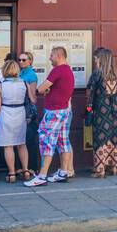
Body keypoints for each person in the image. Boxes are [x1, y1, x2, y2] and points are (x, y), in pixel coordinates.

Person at [26, 45, 78, 186]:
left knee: (47, 141)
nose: (49, 58)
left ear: (59, 56)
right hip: (64, 111)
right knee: (63, 141)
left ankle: (42, 176)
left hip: (55, 111)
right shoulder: (68, 70)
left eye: (52, 55)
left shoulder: (58, 70)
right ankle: (63, 172)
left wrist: (41, 89)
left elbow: (41, 88)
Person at [85, 47, 117, 178]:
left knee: (100, 138)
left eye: (96, 58)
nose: (95, 61)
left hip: (101, 109)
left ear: (101, 59)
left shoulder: (97, 74)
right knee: (113, 137)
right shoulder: (115, 75)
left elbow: (89, 94)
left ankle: (99, 170)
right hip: (114, 110)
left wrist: (88, 110)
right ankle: (113, 167)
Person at [0, 58, 30, 181]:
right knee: (21, 144)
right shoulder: (24, 83)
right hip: (20, 112)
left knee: (8, 145)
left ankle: (12, 173)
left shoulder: (1, 86)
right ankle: (25, 170)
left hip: (6, 112)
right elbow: (32, 99)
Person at [17, 50, 41, 178]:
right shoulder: (20, 72)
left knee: (29, 140)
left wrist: (26, 86)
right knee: (20, 141)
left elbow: (33, 98)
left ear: (30, 61)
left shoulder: (31, 75)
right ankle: (22, 167)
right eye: (19, 60)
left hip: (28, 111)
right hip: (19, 108)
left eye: (24, 60)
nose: (21, 62)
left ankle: (32, 168)